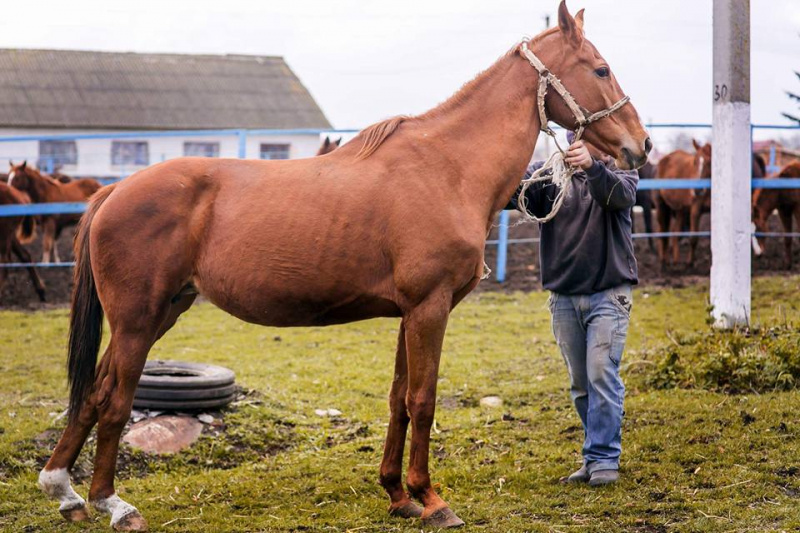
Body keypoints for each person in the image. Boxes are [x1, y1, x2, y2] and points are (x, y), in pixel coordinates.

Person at [506, 132, 639, 486]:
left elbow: (617, 197)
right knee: (581, 383)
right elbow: (509, 193)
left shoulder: (621, 171)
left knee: (601, 374)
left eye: (586, 136)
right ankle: (593, 456)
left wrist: (593, 167)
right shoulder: (548, 176)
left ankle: (605, 459)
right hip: (563, 297)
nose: (577, 142)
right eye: (574, 135)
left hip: (610, 294)